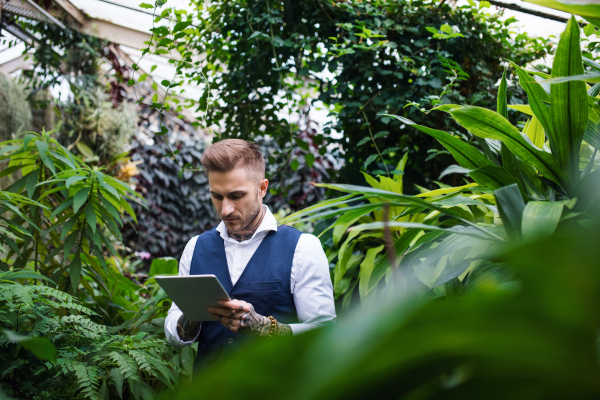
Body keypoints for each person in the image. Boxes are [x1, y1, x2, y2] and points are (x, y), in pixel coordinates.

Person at [164, 139, 336, 372]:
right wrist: (191, 316)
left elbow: (324, 332)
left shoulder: (303, 248)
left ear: (262, 188)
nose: (225, 209)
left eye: (236, 196)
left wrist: (265, 328)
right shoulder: (195, 247)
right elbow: (175, 334)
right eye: (217, 196)